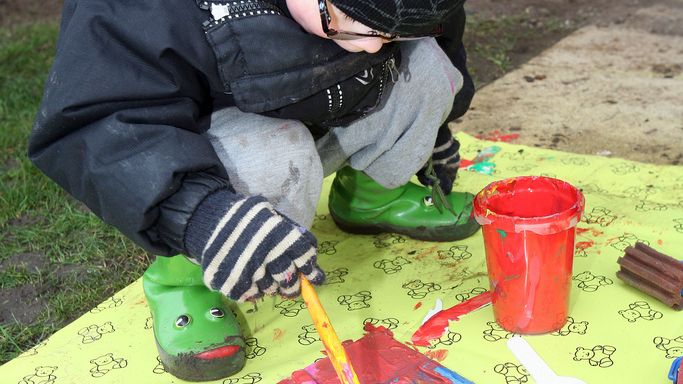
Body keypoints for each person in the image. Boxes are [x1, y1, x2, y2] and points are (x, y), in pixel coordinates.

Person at [28, 0, 478, 380]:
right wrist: (196, 214)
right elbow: (101, 125)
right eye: (352, 24)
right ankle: (183, 277)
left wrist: (426, 128)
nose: (375, 45)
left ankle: (368, 196)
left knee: (428, 68)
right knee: (273, 155)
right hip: (213, 145)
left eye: (392, 32)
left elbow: (434, 38)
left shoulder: (367, 24)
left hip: (327, 99)